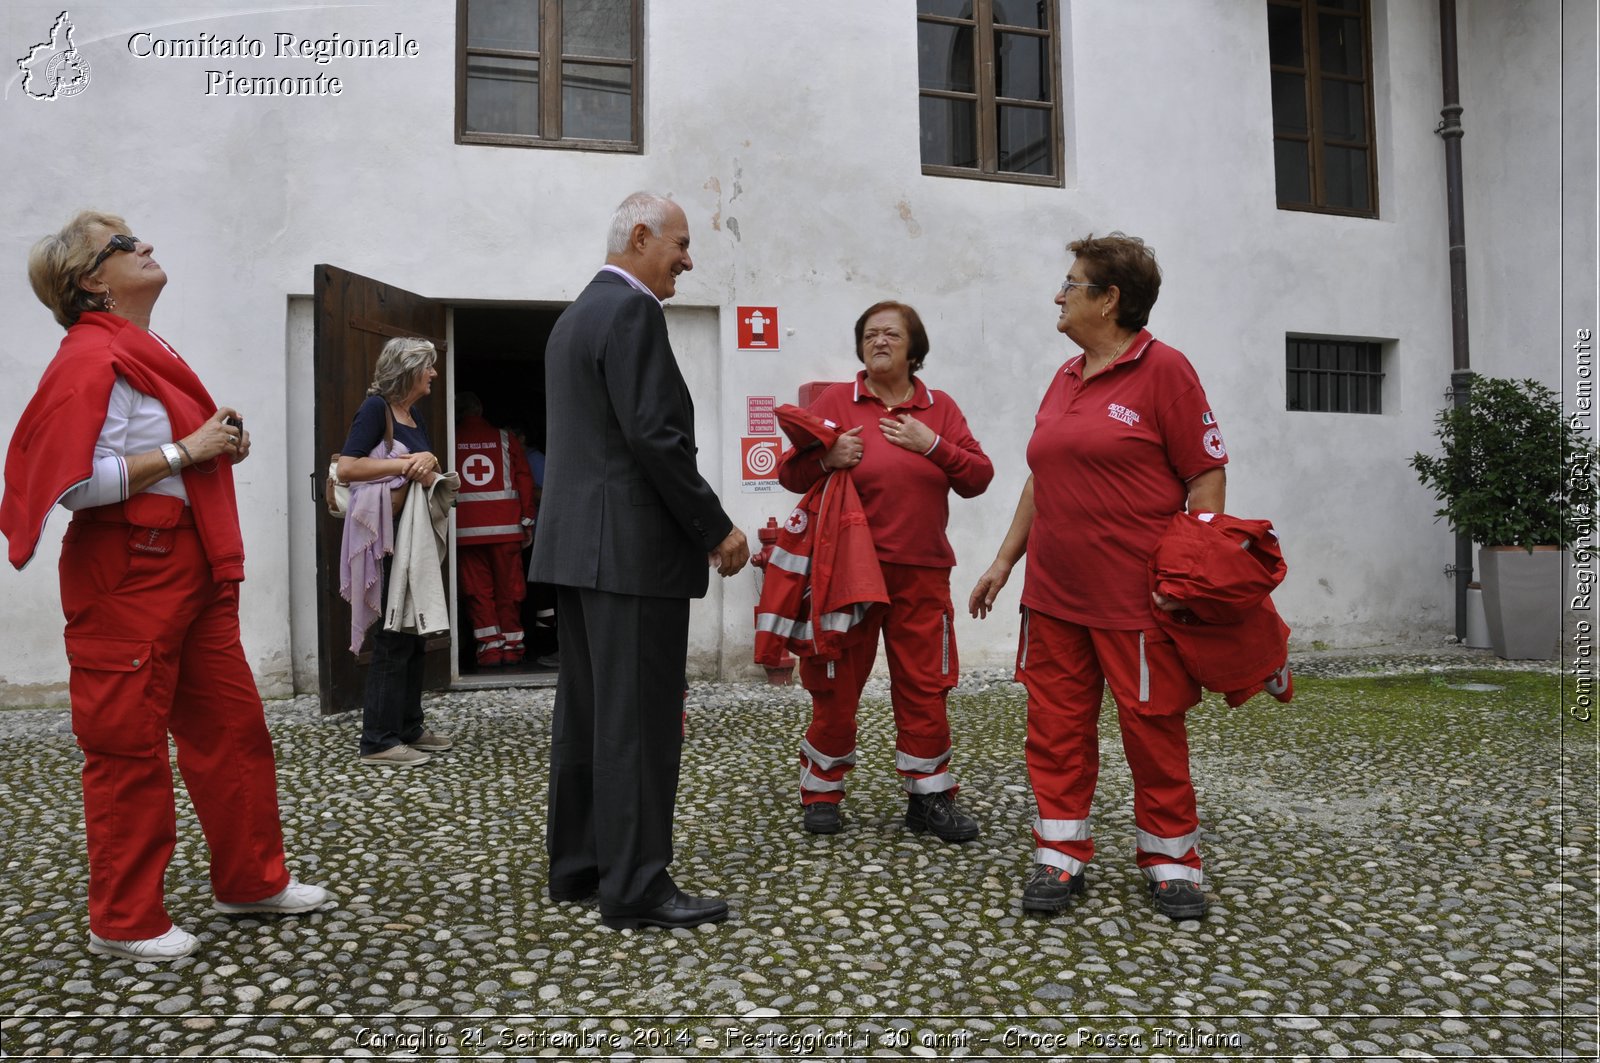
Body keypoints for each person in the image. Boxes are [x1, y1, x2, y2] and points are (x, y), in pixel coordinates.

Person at [0, 211, 331, 962]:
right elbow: (77, 483)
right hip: (129, 570)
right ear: (92, 280)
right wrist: (189, 448)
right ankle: (124, 918)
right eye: (124, 244)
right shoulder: (89, 357)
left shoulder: (139, 349)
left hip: (185, 563)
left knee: (232, 729)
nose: (146, 245)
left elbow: (163, 457)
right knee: (126, 745)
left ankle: (250, 879)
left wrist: (213, 446)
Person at [968, 232, 1227, 921]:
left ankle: (1172, 863)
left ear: (1110, 300)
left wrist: (1193, 573)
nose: (1059, 294)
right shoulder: (1065, 376)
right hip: (1053, 598)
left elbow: (1204, 475)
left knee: (1152, 729)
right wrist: (1002, 561)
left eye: (1073, 284)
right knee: (1055, 730)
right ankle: (1060, 855)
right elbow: (1041, 476)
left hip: (1135, 602)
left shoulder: (1165, 371)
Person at [529, 191, 749, 930]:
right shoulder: (632, 312)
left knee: (590, 717)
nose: (688, 259)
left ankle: (581, 865)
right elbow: (655, 437)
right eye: (681, 244)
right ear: (642, 236)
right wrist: (715, 527)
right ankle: (637, 886)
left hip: (580, 551)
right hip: (629, 553)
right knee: (640, 723)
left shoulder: (573, 317)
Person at [776, 301, 993, 839]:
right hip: (846, 572)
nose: (879, 342)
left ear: (913, 349)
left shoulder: (940, 409)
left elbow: (978, 477)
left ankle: (928, 800)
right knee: (836, 682)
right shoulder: (836, 402)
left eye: (891, 335)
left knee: (925, 684)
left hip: (922, 571)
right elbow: (790, 473)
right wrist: (828, 458)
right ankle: (822, 791)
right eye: (870, 335)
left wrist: (934, 445)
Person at [337, 338, 453, 767]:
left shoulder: (412, 413)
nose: (434, 375)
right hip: (385, 538)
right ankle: (378, 742)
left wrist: (428, 464)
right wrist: (408, 464)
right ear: (408, 371)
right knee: (392, 638)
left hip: (410, 536)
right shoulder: (376, 410)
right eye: (429, 367)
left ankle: (408, 726)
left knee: (413, 632)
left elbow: (421, 464)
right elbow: (348, 467)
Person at [454, 392, 536, 668]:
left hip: (466, 532)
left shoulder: (448, 438)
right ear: (480, 409)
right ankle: (513, 647)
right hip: (505, 530)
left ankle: (489, 649)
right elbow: (524, 479)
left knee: (477, 591)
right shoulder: (505, 438)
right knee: (510, 587)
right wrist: (527, 520)